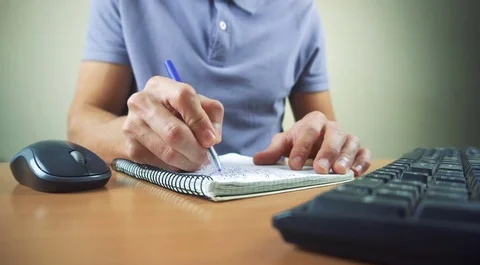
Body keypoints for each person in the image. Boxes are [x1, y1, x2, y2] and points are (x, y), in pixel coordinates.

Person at [67, 0, 371, 175]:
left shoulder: (300, 10)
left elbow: (322, 130)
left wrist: (324, 140)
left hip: (262, 204)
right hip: (151, 202)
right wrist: (133, 136)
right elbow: (81, 124)